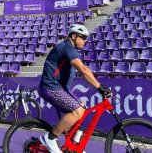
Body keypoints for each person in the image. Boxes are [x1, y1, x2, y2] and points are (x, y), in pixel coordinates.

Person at [38, 24, 112, 153]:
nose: (85, 41)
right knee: (77, 111)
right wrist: (100, 87)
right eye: (83, 37)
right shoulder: (67, 47)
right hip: (51, 87)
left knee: (82, 108)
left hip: (60, 88)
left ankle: (73, 145)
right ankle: (50, 138)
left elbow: (84, 71)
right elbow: (83, 70)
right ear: (73, 36)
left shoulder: (71, 50)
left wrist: (99, 87)